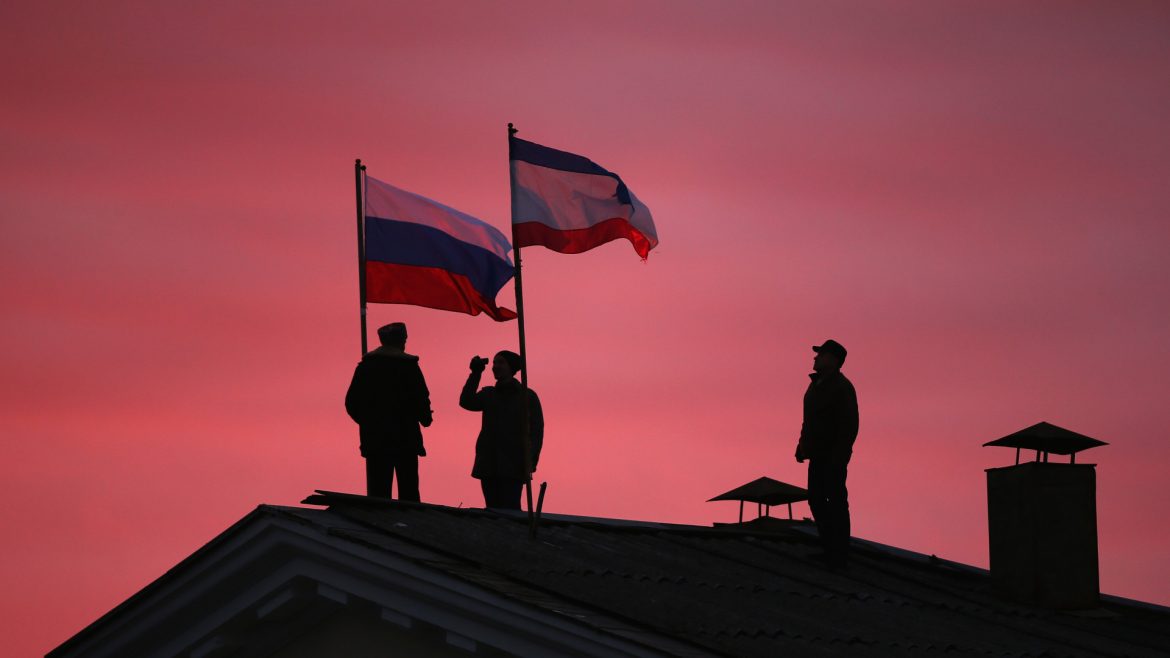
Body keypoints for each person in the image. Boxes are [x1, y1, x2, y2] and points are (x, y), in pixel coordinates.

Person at [345, 322, 433, 501]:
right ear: (401, 341)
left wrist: (369, 422)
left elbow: (351, 403)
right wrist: (425, 418)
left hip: (375, 440)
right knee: (409, 495)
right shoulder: (409, 367)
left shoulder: (365, 367)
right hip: (406, 439)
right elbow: (421, 398)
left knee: (378, 495)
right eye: (404, 339)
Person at [795, 339, 859, 568]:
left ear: (832, 359)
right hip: (817, 455)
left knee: (836, 501)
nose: (815, 358)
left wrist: (839, 458)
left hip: (832, 457)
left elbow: (849, 426)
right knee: (816, 499)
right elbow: (810, 420)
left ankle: (838, 553)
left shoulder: (842, 387)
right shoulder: (815, 385)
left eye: (820, 354)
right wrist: (802, 445)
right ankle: (829, 548)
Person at [459, 350, 544, 510]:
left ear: (511, 367)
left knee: (511, 511)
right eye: (494, 363)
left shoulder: (527, 396)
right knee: (492, 511)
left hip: (514, 464)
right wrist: (476, 373)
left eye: (501, 362)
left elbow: (537, 431)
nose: (495, 366)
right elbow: (466, 401)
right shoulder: (488, 394)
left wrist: (531, 459)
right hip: (488, 463)